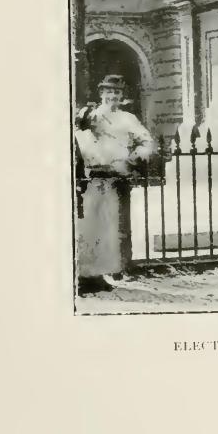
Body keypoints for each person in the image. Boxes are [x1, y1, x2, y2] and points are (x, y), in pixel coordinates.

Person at [75, 74, 155, 295]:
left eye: (117, 92)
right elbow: (78, 139)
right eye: (109, 91)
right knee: (91, 228)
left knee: (112, 230)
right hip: (93, 177)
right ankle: (86, 276)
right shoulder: (89, 115)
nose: (113, 96)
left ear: (122, 96)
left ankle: (103, 274)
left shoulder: (128, 119)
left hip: (117, 177)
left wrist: (133, 158)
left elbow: (147, 142)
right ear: (101, 93)